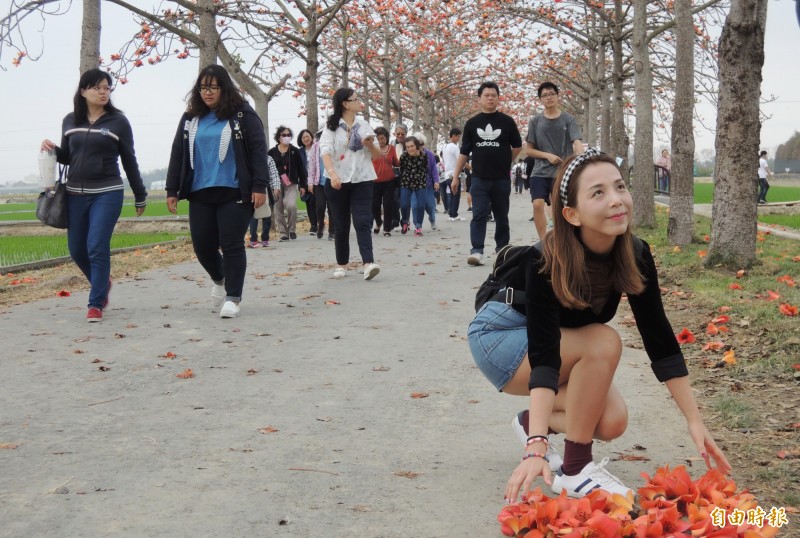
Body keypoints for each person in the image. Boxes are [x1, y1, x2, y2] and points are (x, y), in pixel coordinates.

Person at [467, 148, 731, 503]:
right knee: (603, 341)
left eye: (620, 187)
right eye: (598, 193)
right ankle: (575, 469)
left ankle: (532, 421)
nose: (616, 200)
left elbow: (660, 339)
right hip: (501, 336)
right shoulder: (546, 258)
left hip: (551, 344)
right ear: (571, 214)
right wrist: (537, 448)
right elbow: (545, 356)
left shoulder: (634, 253)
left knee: (611, 422)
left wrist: (694, 421)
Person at [41, 68, 147, 323]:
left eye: (107, 88)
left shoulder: (118, 122)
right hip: (75, 193)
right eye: (97, 87)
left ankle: (96, 302)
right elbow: (69, 156)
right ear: (83, 91)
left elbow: (129, 160)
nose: (103, 92)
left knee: (97, 245)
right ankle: (103, 283)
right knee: (77, 249)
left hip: (107, 192)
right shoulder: (70, 120)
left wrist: (140, 194)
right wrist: (53, 149)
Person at [165, 64, 269, 319]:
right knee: (202, 245)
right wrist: (171, 188)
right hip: (201, 190)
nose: (207, 92)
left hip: (234, 190)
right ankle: (220, 277)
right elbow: (178, 152)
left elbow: (258, 150)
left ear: (224, 88)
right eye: (202, 88)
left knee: (231, 243)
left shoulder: (242, 114)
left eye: (213, 87)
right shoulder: (191, 118)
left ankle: (233, 296)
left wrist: (258, 185)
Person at [451, 81, 522, 266]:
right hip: (479, 178)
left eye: (493, 95)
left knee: (501, 215)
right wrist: (455, 176)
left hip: (501, 179)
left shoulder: (507, 121)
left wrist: (507, 161)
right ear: (479, 99)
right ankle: (477, 251)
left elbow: (517, 146)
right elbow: (464, 152)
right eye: (486, 95)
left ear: (498, 98)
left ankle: (502, 249)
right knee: (479, 214)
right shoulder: (473, 123)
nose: (490, 98)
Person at [320, 87, 383, 280]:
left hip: (362, 178)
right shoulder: (330, 127)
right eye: (355, 100)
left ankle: (368, 263)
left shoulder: (364, 126)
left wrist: (370, 144)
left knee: (363, 220)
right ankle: (342, 263)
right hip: (337, 181)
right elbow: (325, 152)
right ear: (345, 104)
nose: (359, 102)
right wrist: (333, 175)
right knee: (341, 223)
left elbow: (378, 155)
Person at [526, 81, 583, 240]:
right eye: (544, 95)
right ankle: (543, 242)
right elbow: (528, 149)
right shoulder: (535, 121)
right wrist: (547, 155)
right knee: (537, 204)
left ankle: (564, 240)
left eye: (552, 94)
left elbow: (576, 141)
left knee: (561, 209)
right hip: (540, 171)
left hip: (562, 172)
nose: (548, 97)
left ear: (558, 96)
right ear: (540, 100)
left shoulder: (567, 119)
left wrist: (582, 156)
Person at [269, 126, 308, 241]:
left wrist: (303, 186)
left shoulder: (294, 151)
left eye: (288, 135)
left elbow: (301, 169)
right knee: (278, 208)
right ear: (278, 137)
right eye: (283, 135)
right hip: (275, 184)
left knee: (291, 205)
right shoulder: (272, 152)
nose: (286, 137)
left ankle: (292, 229)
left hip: (291, 183)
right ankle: (283, 233)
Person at [399, 136, 431, 237]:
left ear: (416, 146)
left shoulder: (424, 156)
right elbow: (402, 169)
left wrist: (420, 177)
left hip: (420, 183)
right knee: (404, 204)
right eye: (408, 147)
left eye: (412, 146)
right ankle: (405, 222)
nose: (410, 149)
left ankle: (418, 227)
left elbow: (426, 168)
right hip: (406, 182)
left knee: (420, 205)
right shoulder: (403, 156)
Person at [371, 126, 400, 237]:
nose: (380, 141)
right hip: (374, 181)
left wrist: (405, 160)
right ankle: (378, 222)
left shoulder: (391, 148)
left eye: (382, 138)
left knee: (388, 204)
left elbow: (396, 162)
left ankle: (387, 229)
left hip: (389, 181)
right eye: (378, 139)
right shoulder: (371, 149)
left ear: (386, 138)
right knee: (374, 206)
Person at [247, 155, 281, 248]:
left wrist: (276, 187)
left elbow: (274, 174)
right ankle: (253, 239)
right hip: (252, 189)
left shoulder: (268, 159)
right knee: (254, 215)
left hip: (267, 189)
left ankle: (265, 238)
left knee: (267, 214)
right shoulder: (247, 157)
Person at [307, 130, 335, 240]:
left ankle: (332, 231)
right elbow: (312, 165)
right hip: (319, 182)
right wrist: (310, 183)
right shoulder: (315, 147)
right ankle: (320, 225)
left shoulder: (335, 144)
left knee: (332, 207)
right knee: (320, 206)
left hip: (332, 180)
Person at [414, 132, 440, 231]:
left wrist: (436, 181)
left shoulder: (429, 154)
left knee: (430, 206)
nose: (420, 146)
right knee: (416, 206)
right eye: (417, 144)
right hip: (414, 186)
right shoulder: (409, 154)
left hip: (427, 185)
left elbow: (433, 169)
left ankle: (432, 219)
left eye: (421, 144)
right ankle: (418, 226)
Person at [297, 129, 318, 235]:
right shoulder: (299, 152)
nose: (306, 138)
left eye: (307, 136)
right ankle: (314, 225)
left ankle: (318, 223)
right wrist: (301, 185)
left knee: (315, 202)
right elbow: (298, 169)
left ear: (311, 136)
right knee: (309, 203)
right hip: (304, 181)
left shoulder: (317, 148)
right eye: (303, 137)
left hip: (317, 180)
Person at [442, 127, 464, 221]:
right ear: (454, 136)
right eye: (458, 136)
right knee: (456, 195)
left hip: (447, 174)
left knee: (451, 194)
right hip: (454, 174)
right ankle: (454, 215)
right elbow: (461, 160)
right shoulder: (454, 147)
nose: (458, 138)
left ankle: (451, 214)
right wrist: (471, 168)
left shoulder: (445, 146)